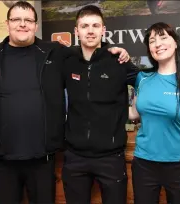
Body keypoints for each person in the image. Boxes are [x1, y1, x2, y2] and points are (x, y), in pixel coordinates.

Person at [0, 1, 130, 203]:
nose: (22, 24)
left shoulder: (54, 52)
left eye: (28, 20)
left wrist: (113, 50)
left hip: (43, 158)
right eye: (16, 20)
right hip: (3, 159)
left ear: (35, 26)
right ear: (7, 24)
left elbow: (90, 51)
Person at [61, 5, 139, 204]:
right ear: (76, 31)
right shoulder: (66, 61)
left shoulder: (118, 61)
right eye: (85, 26)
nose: (90, 30)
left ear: (103, 30)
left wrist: (134, 111)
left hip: (111, 157)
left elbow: (147, 83)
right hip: (74, 157)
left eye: (95, 25)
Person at [129, 22, 180, 204]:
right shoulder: (142, 78)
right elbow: (134, 113)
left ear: (175, 42)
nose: (158, 44)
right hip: (143, 164)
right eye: (152, 40)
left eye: (163, 37)